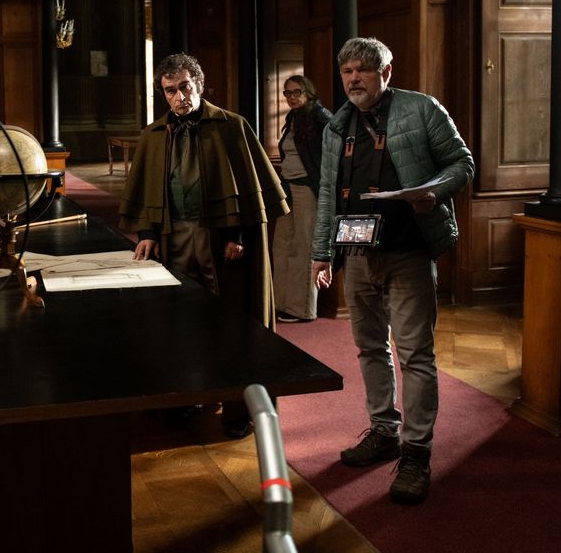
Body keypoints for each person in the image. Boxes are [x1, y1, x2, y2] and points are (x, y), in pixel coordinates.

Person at [309, 37, 473, 506]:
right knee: (369, 348)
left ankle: (417, 453)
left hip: (409, 251)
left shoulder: (422, 109)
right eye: (347, 72)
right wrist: (322, 252)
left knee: (415, 353)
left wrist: (434, 193)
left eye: (363, 69)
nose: (354, 79)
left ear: (386, 71)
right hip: (357, 252)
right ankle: (384, 431)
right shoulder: (336, 126)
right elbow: (328, 193)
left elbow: (462, 163)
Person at [118, 52, 288, 438]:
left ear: (199, 83)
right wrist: (147, 233)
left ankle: (239, 410)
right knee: (180, 325)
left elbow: (249, 189)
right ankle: (187, 398)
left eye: (185, 87)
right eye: (170, 91)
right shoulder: (154, 135)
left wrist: (238, 235)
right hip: (173, 238)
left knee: (233, 324)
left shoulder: (231, 126)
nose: (179, 97)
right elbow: (147, 190)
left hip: (220, 240)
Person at [271, 74, 332, 323]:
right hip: (287, 187)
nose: (292, 97)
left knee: (304, 247)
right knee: (282, 244)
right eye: (287, 93)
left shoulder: (320, 116)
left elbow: (332, 154)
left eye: (297, 92)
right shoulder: (293, 117)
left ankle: (302, 309)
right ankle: (281, 302)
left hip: (307, 188)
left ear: (308, 92)